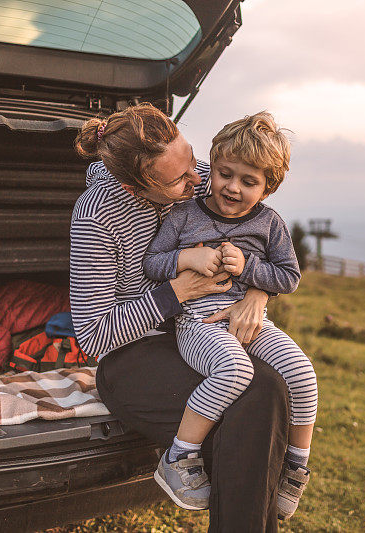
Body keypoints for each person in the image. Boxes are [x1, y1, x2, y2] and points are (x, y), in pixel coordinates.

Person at [71, 103, 290, 532]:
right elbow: (94, 337)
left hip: (201, 331)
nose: (199, 178)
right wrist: (175, 293)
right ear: (138, 187)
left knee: (272, 387)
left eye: (191, 158)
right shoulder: (95, 218)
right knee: (253, 400)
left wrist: (259, 293)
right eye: (179, 179)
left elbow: (260, 234)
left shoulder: (202, 177)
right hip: (132, 356)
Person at [142, 112, 317, 520]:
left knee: (302, 373)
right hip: (198, 323)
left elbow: (288, 276)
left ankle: (293, 467)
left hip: (252, 321)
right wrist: (189, 257)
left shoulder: (270, 223)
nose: (232, 188)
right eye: (224, 174)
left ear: (267, 188)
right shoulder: (185, 215)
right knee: (236, 371)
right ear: (212, 167)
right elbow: (153, 263)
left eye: (248, 181)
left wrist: (249, 269)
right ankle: (179, 456)